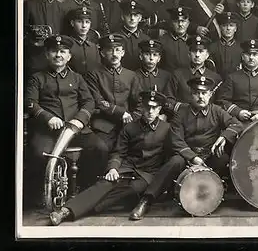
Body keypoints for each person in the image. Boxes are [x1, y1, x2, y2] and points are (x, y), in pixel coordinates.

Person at [47, 89, 172, 226]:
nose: (150, 111)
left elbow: (171, 155)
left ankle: (85, 208)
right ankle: (64, 211)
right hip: (128, 167)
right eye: (147, 107)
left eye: (154, 108)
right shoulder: (130, 127)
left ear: (160, 109)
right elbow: (119, 152)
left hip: (148, 174)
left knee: (132, 190)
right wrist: (113, 169)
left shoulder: (166, 129)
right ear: (142, 107)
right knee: (105, 183)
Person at [128, 75, 245, 220]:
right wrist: (193, 157)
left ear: (210, 94)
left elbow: (237, 124)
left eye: (204, 93)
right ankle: (146, 200)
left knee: (225, 158)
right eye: (197, 93)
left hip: (209, 156)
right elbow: (176, 140)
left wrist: (224, 137)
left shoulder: (217, 111)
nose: (201, 97)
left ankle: (214, 196)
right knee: (174, 162)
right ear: (191, 95)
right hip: (187, 157)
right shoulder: (181, 113)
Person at [24, 35, 107, 206]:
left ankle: (85, 188)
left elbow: (89, 102)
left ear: (69, 56)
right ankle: (40, 195)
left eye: (63, 52)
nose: (58, 55)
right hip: (48, 130)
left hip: (76, 129)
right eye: (54, 51)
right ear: (47, 55)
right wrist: (48, 117)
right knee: (38, 154)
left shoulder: (77, 78)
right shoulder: (37, 78)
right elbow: (30, 103)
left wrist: (80, 120)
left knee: (100, 148)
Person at [84, 34, 142, 158]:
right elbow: (97, 101)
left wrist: (133, 119)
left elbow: (139, 102)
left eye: (118, 50)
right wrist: (121, 113)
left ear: (123, 53)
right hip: (103, 125)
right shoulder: (94, 74)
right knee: (101, 150)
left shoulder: (131, 75)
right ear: (103, 53)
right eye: (110, 50)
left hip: (128, 124)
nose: (114, 54)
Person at [217, 39, 258, 123]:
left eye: (255, 54)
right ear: (243, 57)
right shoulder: (232, 77)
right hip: (238, 121)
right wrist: (238, 112)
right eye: (248, 54)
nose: (251, 57)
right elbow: (223, 101)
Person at [165, 35, 222, 114]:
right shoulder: (177, 75)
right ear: (189, 54)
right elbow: (169, 100)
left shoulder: (215, 78)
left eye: (201, 51)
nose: (197, 55)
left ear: (207, 55)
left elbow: (219, 103)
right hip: (182, 118)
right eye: (194, 51)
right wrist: (186, 109)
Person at [133, 39, 171, 113]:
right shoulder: (134, 76)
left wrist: (165, 115)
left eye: (155, 55)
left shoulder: (166, 76)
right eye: (147, 54)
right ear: (141, 56)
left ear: (159, 58)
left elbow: (169, 100)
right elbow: (134, 101)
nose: (151, 58)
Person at [113, 0, 151, 71]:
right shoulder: (116, 37)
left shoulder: (146, 39)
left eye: (135, 15)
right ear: (122, 17)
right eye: (128, 14)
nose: (132, 18)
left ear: (140, 18)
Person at [209, 11, 244, 79]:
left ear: (235, 28)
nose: (228, 28)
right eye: (225, 25)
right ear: (220, 28)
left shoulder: (241, 48)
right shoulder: (212, 47)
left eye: (231, 25)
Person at [67, 6, 101, 75]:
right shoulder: (67, 45)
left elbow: (98, 69)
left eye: (87, 22)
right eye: (80, 22)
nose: (84, 25)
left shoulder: (93, 47)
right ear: (72, 23)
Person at [158, 6, 191, 72]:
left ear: (188, 23)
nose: (180, 24)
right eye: (176, 21)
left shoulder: (193, 42)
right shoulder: (162, 41)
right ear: (171, 23)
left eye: (183, 21)